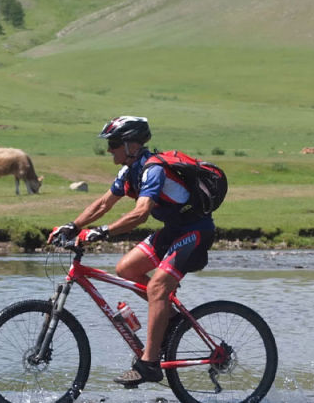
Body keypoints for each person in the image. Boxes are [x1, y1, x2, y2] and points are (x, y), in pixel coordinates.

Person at [47, 116, 216, 387]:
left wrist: (100, 232)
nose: (109, 149)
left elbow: (140, 214)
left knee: (158, 286)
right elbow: (103, 203)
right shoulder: (129, 171)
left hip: (195, 231)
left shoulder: (153, 169)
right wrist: (73, 226)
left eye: (114, 143)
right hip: (174, 229)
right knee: (126, 269)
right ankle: (170, 319)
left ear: (131, 145)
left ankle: (149, 364)